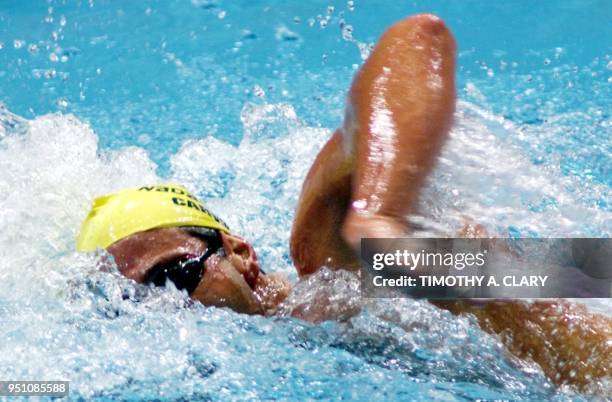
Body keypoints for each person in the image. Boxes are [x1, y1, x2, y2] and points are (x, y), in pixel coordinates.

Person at [76, 14, 610, 390]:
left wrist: (379, 212)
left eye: (171, 277)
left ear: (240, 253)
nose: (164, 309)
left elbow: (415, 40)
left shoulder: (326, 258)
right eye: (130, 304)